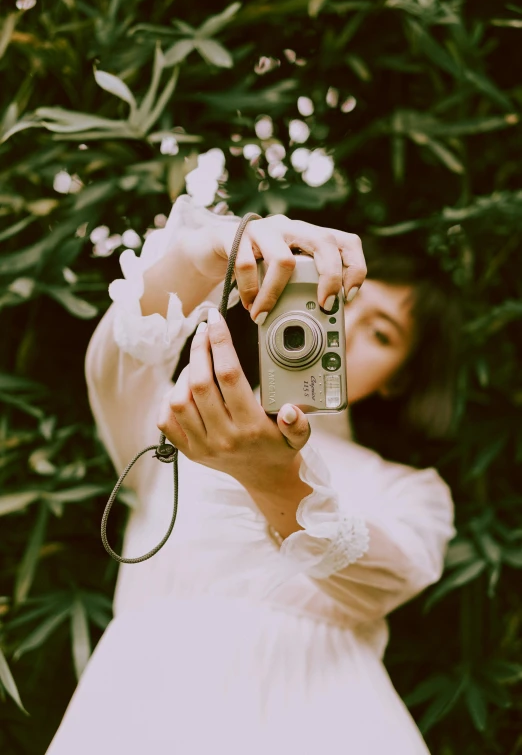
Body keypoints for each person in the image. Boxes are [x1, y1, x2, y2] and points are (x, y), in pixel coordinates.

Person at [46, 193, 460, 755]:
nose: (341, 329)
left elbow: (381, 581)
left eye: (380, 334)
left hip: (329, 725)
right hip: (142, 712)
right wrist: (211, 249)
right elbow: (118, 358)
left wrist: (275, 481)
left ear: (401, 379)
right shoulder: (179, 414)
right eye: (332, 301)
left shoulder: (408, 489)